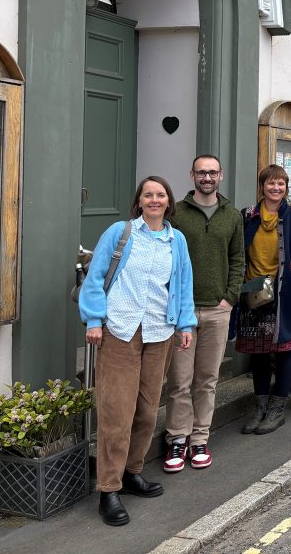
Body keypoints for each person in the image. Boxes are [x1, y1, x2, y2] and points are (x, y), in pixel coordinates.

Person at [78, 176, 196, 527]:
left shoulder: (177, 241)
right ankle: (108, 489)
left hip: (159, 332)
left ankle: (132, 473)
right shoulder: (120, 233)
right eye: (148, 194)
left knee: (146, 410)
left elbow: (184, 284)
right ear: (139, 201)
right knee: (117, 411)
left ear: (168, 201)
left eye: (160, 195)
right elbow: (96, 276)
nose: (155, 200)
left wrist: (185, 324)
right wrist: (94, 320)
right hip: (119, 329)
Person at [162, 155, 245, 472]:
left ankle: (199, 439)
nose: (207, 177)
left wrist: (230, 298)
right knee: (180, 381)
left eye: (212, 172)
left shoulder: (232, 216)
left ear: (220, 175)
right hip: (182, 313)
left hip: (217, 310)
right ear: (192, 175)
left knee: (207, 380)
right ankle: (177, 441)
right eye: (201, 172)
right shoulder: (178, 214)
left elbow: (238, 259)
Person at [237, 164, 291, 435]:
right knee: (258, 354)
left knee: (284, 351)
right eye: (271, 183)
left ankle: (277, 410)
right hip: (252, 293)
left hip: (283, 294)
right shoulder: (247, 215)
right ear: (263, 186)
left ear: (286, 187)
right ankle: (260, 407)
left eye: (281, 183)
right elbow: (237, 251)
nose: (276, 188)